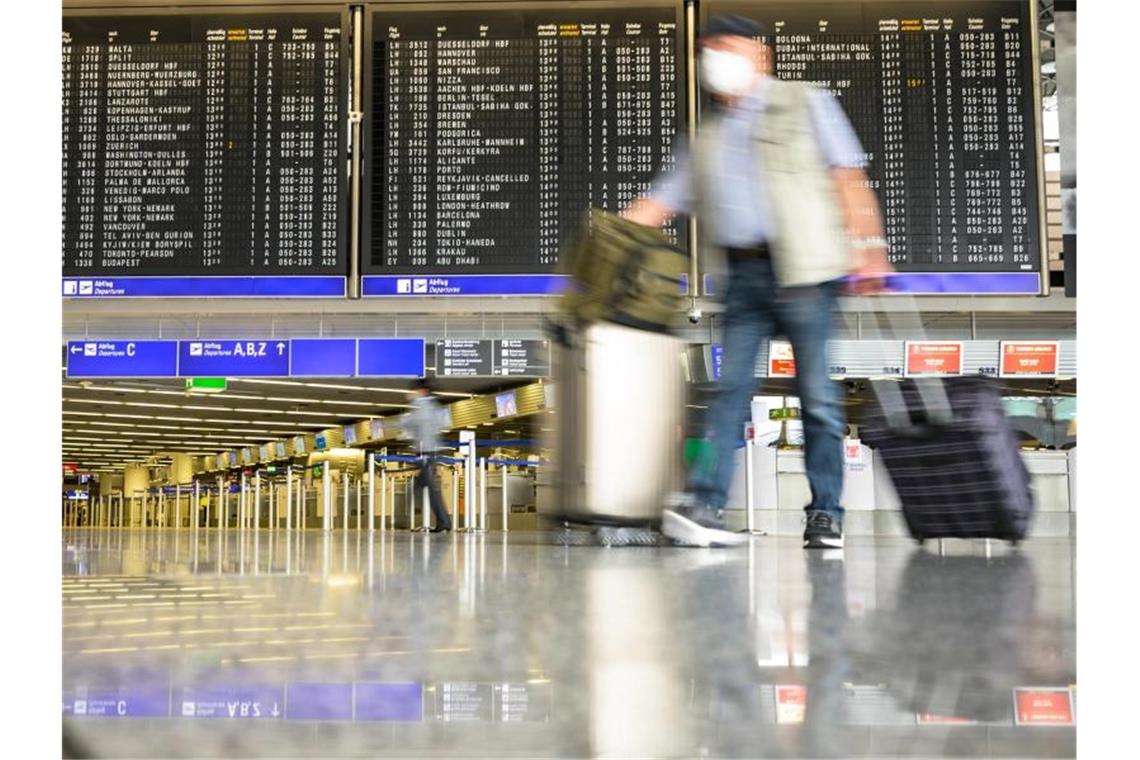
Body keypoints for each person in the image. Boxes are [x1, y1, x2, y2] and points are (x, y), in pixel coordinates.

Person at [624, 15, 892, 549]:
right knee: (728, 392)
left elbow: (847, 176)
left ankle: (825, 514)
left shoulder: (805, 101)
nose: (714, 57)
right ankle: (706, 506)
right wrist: (605, 246)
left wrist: (870, 250)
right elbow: (658, 203)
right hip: (743, 276)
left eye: (726, 45)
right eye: (708, 49)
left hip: (807, 274)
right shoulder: (705, 137)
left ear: (759, 54)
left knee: (816, 397)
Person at [403, 378, 453, 533]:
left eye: (414, 390)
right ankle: (443, 521)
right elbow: (444, 424)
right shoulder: (434, 406)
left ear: (421, 391)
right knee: (425, 488)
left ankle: (403, 518)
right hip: (430, 451)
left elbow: (409, 423)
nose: (412, 393)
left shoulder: (422, 406)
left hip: (426, 453)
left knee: (425, 489)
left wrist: (384, 424)